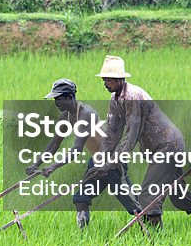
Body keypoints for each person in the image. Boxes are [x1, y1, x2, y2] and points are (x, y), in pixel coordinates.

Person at [95, 55, 191, 228]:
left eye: (108, 80)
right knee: (179, 196)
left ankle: (155, 241)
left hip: (167, 145)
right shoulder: (115, 99)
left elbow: (132, 133)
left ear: (119, 79)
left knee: (149, 196)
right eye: (104, 80)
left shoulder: (134, 96)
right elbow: (112, 132)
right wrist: (101, 160)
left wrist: (112, 162)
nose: (105, 84)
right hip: (156, 148)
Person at [27, 78, 141, 228]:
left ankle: (152, 227)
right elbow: (54, 144)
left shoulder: (86, 114)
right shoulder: (66, 117)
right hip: (96, 161)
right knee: (81, 198)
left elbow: (76, 149)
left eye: (58, 99)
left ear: (69, 97)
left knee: (132, 204)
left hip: (111, 163)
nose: (56, 103)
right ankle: (83, 235)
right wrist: (36, 164)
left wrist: (53, 166)